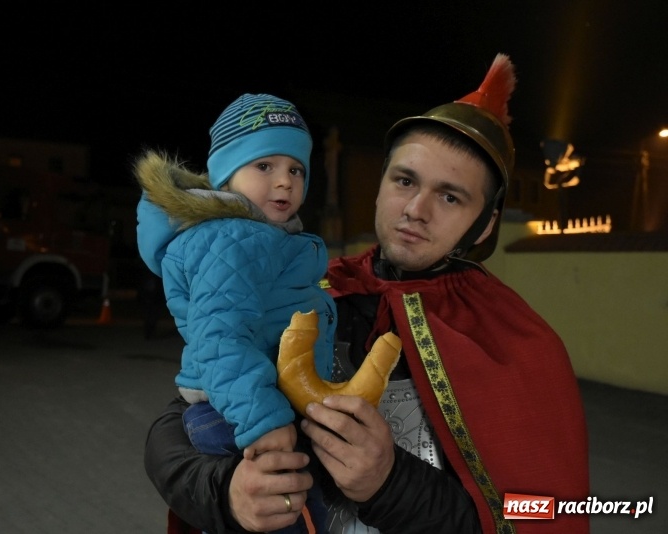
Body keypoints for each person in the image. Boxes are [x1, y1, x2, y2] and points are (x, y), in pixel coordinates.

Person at [144, 54, 590, 534]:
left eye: (450, 196)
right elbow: (171, 431)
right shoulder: (312, 286)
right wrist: (228, 489)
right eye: (405, 181)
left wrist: (391, 483)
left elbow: (549, 512)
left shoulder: (514, 344)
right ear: (381, 186)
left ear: (486, 226)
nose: (416, 209)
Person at [135, 93, 336, 533]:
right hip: (240, 413)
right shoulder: (235, 240)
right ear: (227, 175)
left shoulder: (264, 238)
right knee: (289, 519)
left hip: (249, 405)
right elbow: (219, 338)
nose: (284, 182)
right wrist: (262, 420)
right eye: (264, 166)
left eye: (295, 169)